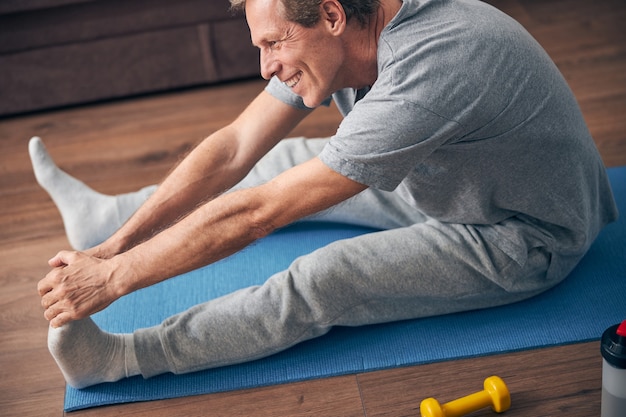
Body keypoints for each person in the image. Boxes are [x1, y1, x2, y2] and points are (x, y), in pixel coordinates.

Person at [34, 0, 617, 389]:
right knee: (286, 157)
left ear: (332, 15)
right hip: (460, 180)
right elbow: (237, 145)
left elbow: (257, 214)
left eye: (273, 45)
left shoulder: (429, 69)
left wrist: (113, 281)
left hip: (523, 233)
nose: (267, 67)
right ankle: (103, 219)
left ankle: (120, 360)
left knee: (325, 278)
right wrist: (115, 246)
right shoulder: (352, 28)